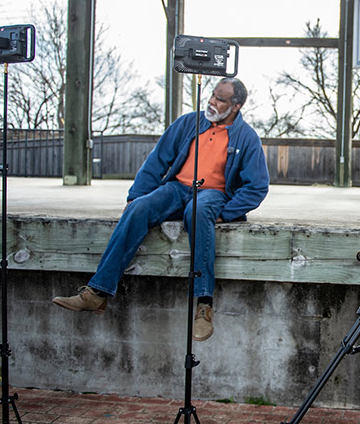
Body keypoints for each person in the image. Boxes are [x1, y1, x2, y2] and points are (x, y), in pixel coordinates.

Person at [53, 77, 270, 342]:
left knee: (198, 211)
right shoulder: (189, 122)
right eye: (212, 95)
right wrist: (136, 195)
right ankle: (97, 294)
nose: (212, 102)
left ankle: (204, 305)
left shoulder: (247, 138)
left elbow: (257, 186)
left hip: (213, 194)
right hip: (178, 187)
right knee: (140, 208)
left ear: (235, 106)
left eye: (220, 99)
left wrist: (229, 212)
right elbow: (158, 159)